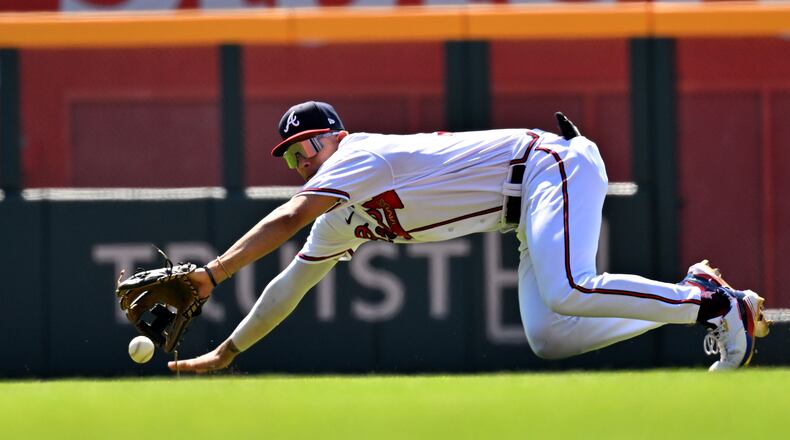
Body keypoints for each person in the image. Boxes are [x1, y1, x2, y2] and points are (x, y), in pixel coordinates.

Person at [170, 101, 768, 374]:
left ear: (336, 136)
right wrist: (228, 351)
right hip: (523, 202)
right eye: (291, 156)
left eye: (309, 145)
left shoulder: (358, 155)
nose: (303, 159)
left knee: (567, 289)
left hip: (548, 166)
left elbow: (284, 221)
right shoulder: (342, 213)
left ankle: (717, 306)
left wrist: (212, 273)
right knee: (552, 337)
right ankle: (698, 294)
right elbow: (290, 284)